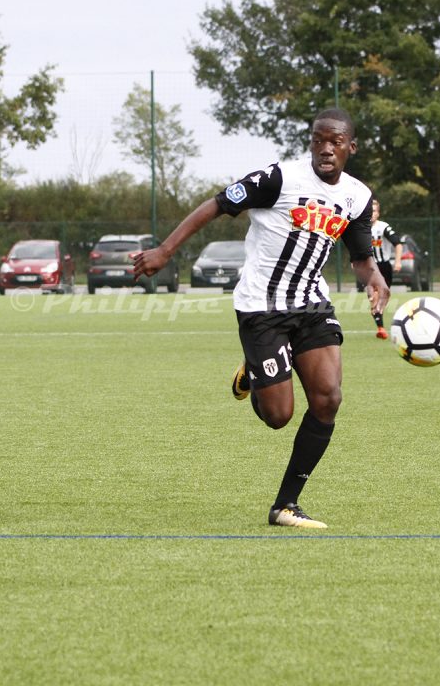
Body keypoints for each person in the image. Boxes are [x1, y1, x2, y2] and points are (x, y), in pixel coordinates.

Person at [133, 108, 389, 529]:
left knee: (328, 399)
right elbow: (216, 205)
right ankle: (255, 371)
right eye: (318, 140)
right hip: (262, 307)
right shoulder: (279, 179)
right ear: (310, 143)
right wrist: (165, 250)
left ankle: (285, 504)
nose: (326, 149)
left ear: (350, 147)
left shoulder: (357, 197)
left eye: (335, 142)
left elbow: (361, 257)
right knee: (278, 417)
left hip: (311, 305)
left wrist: (375, 278)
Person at [367, 198, 403, 338]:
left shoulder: (383, 227)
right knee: (373, 297)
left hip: (384, 266)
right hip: (369, 267)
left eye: (374, 211)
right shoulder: (360, 228)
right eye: (370, 211)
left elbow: (398, 244)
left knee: (383, 297)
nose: (372, 214)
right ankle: (381, 328)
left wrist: (398, 261)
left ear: (378, 213)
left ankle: (378, 318)